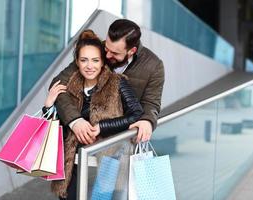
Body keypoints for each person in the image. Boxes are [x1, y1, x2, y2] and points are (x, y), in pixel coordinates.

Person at [44, 30, 144, 200]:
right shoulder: (69, 88)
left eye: (95, 60)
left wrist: (102, 127)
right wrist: (48, 105)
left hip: (109, 161)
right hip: (72, 163)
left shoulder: (117, 82)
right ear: (77, 62)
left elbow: (136, 113)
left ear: (103, 61)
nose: (90, 66)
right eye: (84, 60)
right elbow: (56, 126)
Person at [51, 19, 165, 144]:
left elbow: (151, 103)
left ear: (131, 51)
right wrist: (75, 120)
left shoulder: (154, 65)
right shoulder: (96, 50)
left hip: (122, 142)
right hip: (86, 141)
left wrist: (147, 121)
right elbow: (58, 84)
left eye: (115, 53)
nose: (108, 55)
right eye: (107, 48)